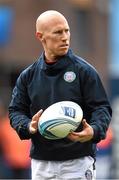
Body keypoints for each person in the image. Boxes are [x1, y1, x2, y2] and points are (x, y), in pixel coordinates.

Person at [9, 10, 112, 180]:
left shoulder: (85, 71)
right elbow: (15, 111)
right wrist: (28, 125)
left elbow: (102, 108)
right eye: (58, 32)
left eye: (67, 30)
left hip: (78, 163)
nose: (65, 37)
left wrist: (93, 130)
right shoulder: (28, 76)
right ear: (40, 36)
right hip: (41, 164)